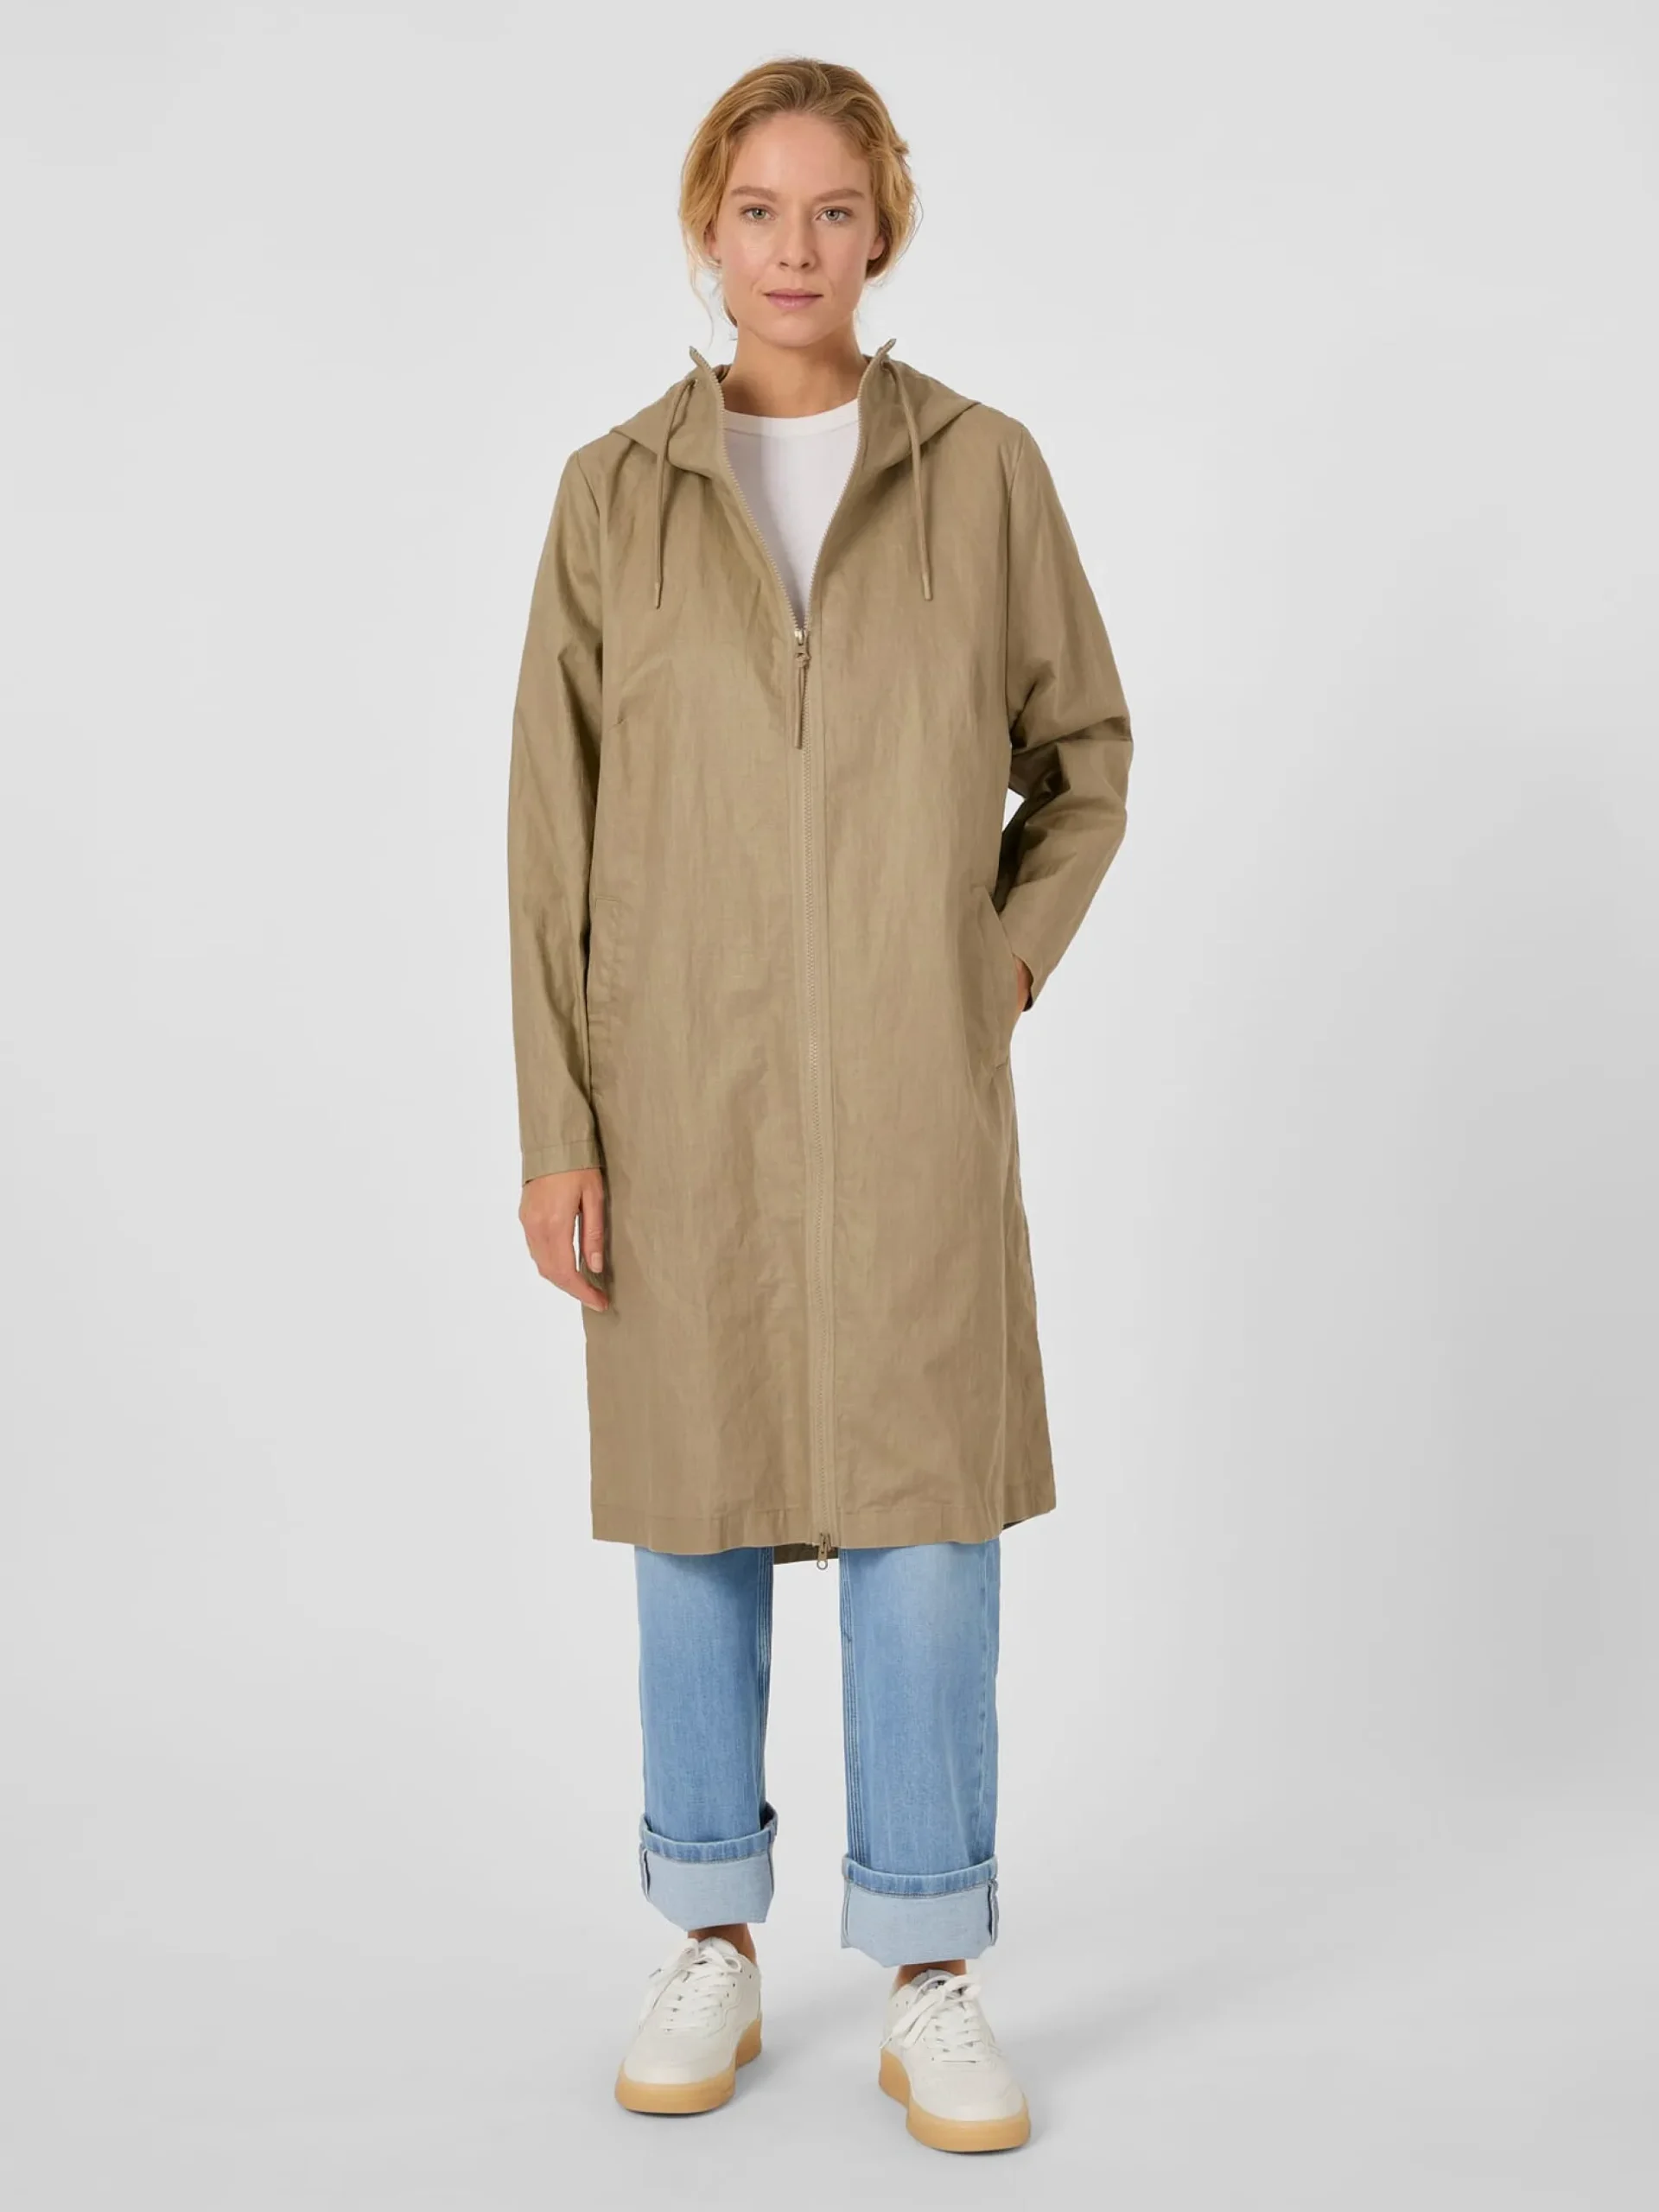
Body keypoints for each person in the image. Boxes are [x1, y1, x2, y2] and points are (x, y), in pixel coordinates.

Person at [507, 56, 1133, 2153]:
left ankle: (931, 1964)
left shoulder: (984, 473)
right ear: (709, 226)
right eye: (760, 209)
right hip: (674, 1089)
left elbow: (1087, 758)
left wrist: (995, 960)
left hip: (908, 1091)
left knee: (925, 1510)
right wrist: (559, 1118)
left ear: (885, 229)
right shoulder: (613, 496)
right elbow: (549, 829)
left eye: (835, 209)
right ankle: (711, 1927)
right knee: (693, 1508)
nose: (796, 248)